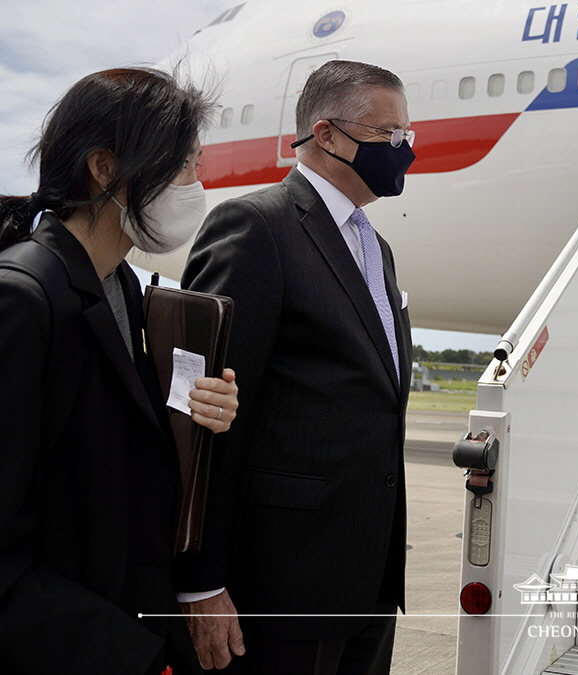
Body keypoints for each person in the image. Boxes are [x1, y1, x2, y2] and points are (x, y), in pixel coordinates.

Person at [177, 59, 413, 674]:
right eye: (388, 134)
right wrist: (199, 582)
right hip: (278, 587)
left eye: (406, 135)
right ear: (328, 134)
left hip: (366, 584)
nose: (402, 149)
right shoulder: (256, 227)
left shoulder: (374, 247)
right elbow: (202, 417)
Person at [0, 67, 238, 674]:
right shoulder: (23, 299)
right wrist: (121, 653)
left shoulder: (122, 287)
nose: (195, 183)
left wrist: (193, 413)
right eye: (182, 164)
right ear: (105, 168)